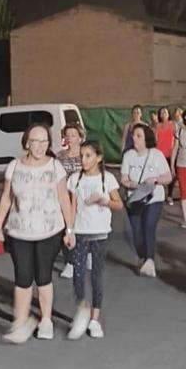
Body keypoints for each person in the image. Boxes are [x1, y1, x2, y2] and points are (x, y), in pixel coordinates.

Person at [0, 124, 74, 342]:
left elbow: (65, 199)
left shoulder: (55, 167)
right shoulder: (14, 167)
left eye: (44, 141)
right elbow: (6, 199)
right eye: (35, 141)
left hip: (49, 230)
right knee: (23, 278)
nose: (40, 146)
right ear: (27, 143)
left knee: (43, 276)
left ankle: (45, 320)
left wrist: (70, 229)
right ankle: (21, 321)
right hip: (19, 232)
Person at [65, 141, 122, 339]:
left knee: (96, 275)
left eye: (88, 155)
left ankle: (95, 319)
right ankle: (82, 308)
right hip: (80, 232)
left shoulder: (107, 178)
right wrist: (69, 230)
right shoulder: (75, 179)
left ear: (98, 157)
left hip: (99, 232)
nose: (84, 159)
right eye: (81, 155)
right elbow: (72, 206)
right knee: (78, 274)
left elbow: (119, 204)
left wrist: (103, 199)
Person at [120, 123, 173, 274]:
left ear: (146, 138)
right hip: (134, 198)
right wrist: (130, 183)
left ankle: (150, 260)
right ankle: (142, 256)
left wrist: (155, 179)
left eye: (138, 136)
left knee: (148, 227)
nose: (134, 138)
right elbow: (123, 178)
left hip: (153, 197)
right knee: (137, 231)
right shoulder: (128, 155)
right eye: (133, 135)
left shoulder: (157, 155)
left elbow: (168, 177)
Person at [57, 123, 85, 279]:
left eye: (73, 135)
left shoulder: (86, 155)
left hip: (82, 199)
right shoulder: (60, 156)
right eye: (67, 135)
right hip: (65, 199)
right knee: (67, 229)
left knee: (82, 231)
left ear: (80, 137)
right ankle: (70, 262)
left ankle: (84, 255)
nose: (70, 138)